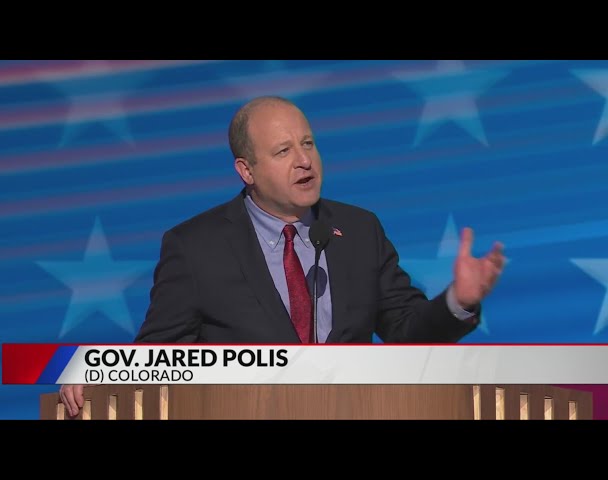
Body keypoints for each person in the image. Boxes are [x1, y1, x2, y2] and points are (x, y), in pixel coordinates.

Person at [60, 95, 505, 416]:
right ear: (246, 170)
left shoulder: (359, 230)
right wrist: (101, 372)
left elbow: (406, 333)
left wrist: (457, 301)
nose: (304, 161)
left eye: (308, 144)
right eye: (283, 151)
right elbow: (160, 353)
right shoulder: (195, 247)